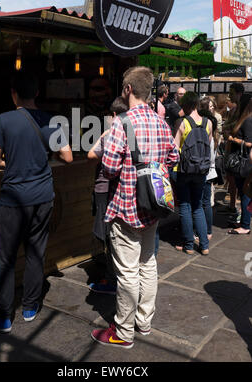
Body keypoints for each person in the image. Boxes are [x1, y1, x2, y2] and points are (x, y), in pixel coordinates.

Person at [91, 66, 179, 349]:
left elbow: (109, 168)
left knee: (127, 272)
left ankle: (124, 331)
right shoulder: (160, 123)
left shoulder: (122, 123)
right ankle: (144, 321)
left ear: (128, 89)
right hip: (153, 206)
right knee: (147, 264)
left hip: (127, 207)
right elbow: (173, 158)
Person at [0, 71, 73, 333]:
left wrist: (13, 162)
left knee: (5, 257)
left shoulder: (4, 120)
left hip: (14, 199)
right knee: (35, 252)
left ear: (14, 94)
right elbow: (66, 157)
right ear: (36, 93)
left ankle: (4, 316)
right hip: (43, 197)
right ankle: (31, 307)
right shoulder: (51, 121)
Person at [87, 96, 128, 295]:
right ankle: (116, 277)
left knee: (108, 238)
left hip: (104, 190)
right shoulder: (131, 133)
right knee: (116, 237)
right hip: (121, 191)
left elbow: (91, 155)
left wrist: (104, 132)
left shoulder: (111, 134)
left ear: (113, 115)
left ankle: (112, 280)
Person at [174, 92, 213, 255]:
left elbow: (175, 148)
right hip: (201, 170)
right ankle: (204, 245)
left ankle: (189, 245)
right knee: (197, 206)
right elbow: (208, 144)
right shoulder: (208, 123)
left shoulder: (181, 123)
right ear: (196, 104)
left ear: (185, 105)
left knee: (184, 205)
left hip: (183, 170)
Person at [228, 97, 252, 235]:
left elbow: (249, 143)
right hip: (243, 162)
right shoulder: (246, 119)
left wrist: (233, 139)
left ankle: (245, 225)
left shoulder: (248, 120)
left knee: (245, 194)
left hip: (244, 163)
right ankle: (243, 221)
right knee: (243, 192)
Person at [199, 99, 219, 241]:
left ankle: (204, 232)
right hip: (210, 170)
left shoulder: (205, 129)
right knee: (207, 202)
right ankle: (208, 231)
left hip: (204, 171)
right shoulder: (214, 130)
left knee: (202, 203)